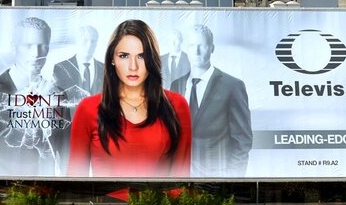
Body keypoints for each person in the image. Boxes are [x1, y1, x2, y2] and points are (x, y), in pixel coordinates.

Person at [67, 19, 192, 178]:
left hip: (161, 203)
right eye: (124, 56)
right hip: (105, 203)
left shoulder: (177, 105)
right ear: (112, 59)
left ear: (152, 59)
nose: (133, 66)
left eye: (142, 56)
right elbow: (74, 181)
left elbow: (182, 181)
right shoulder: (88, 109)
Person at [169, 24, 253, 177]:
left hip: (217, 181)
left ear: (212, 48)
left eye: (202, 45)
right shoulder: (176, 85)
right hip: (180, 180)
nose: (196, 51)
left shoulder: (232, 86)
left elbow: (242, 141)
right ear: (186, 48)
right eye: (192, 45)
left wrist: (232, 180)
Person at [0, 16, 60, 175]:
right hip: (3, 184)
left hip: (46, 186)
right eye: (28, 45)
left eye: (42, 46)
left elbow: (63, 148)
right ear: (14, 47)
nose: (36, 53)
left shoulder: (58, 94)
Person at [52, 25, 103, 102]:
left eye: (93, 41)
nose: (89, 45)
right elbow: (59, 99)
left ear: (96, 44)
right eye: (85, 40)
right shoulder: (61, 67)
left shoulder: (105, 68)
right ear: (77, 42)